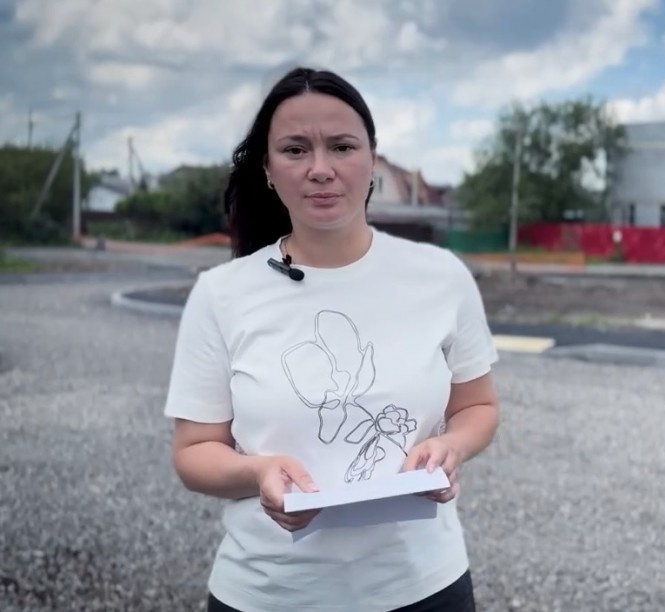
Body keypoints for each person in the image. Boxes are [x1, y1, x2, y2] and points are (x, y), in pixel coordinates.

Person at [163, 66, 500, 612]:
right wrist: (256, 472)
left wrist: (452, 446)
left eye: (341, 146)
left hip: (424, 588)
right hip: (268, 595)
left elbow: (478, 406)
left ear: (372, 160)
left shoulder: (441, 276)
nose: (320, 169)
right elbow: (193, 452)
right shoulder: (220, 294)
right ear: (268, 169)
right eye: (295, 150)